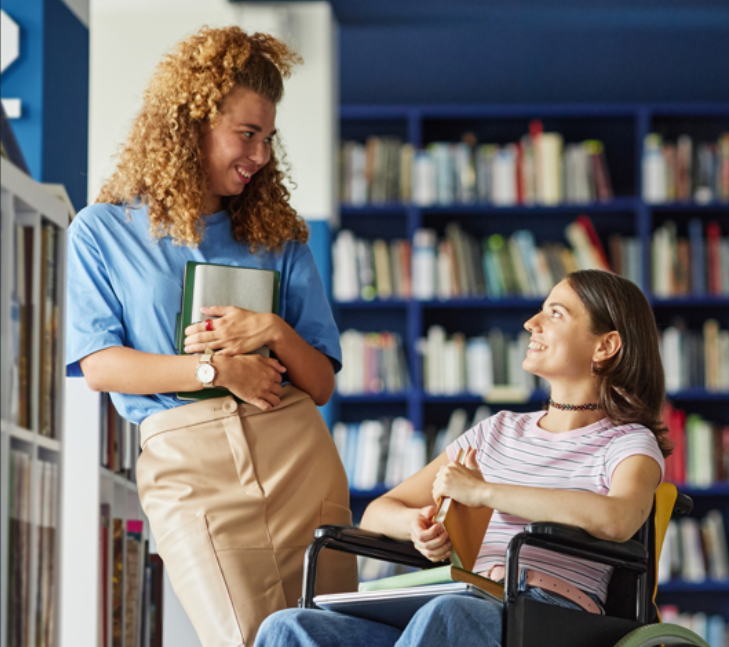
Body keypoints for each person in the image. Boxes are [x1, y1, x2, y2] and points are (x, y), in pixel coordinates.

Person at [65, 26, 357, 647]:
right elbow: (99, 365)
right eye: (245, 134)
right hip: (188, 466)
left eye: (267, 139)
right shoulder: (102, 231)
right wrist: (216, 372)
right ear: (188, 124)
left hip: (295, 453)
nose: (259, 155)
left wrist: (272, 329)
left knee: (335, 637)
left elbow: (323, 383)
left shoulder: (280, 239)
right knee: (246, 638)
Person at [255, 269, 672, 647]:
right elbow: (379, 513)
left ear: (606, 345)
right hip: (462, 598)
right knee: (286, 627)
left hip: (548, 615)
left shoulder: (628, 442)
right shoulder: (498, 431)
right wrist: (417, 527)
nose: (532, 323)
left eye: (556, 314)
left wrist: (484, 492)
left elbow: (617, 518)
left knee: (446, 617)